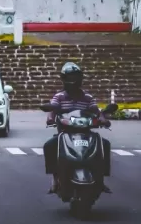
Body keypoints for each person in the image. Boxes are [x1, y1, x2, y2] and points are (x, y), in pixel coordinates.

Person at [44, 62, 111, 194]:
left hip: (86, 133)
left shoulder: (87, 97)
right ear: (64, 79)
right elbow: (53, 108)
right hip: (65, 132)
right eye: (70, 77)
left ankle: (101, 178)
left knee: (105, 144)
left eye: (75, 77)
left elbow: (96, 111)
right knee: (49, 145)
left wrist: (103, 119)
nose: (73, 80)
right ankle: (55, 178)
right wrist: (50, 117)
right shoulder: (59, 97)